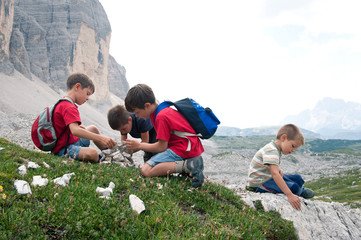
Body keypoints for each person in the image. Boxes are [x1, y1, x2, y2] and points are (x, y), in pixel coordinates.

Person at [124, 84, 205, 187]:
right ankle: (189, 167)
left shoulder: (161, 117)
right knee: (154, 164)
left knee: (146, 170)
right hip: (189, 146)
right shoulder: (161, 109)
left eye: (137, 112)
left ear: (147, 106)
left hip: (182, 148)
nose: (136, 116)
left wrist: (139, 145)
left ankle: (188, 165)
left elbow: (162, 147)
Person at [246, 124, 314, 210]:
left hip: (267, 176)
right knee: (294, 188)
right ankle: (300, 191)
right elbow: (274, 174)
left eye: (295, 148)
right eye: (293, 146)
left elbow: (271, 168)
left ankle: (300, 190)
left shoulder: (274, 148)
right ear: (283, 138)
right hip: (260, 183)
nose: (293, 150)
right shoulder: (272, 150)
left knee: (298, 178)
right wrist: (289, 195)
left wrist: (278, 170)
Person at [52, 73, 116, 162]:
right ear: (77, 86)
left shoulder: (64, 103)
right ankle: (106, 159)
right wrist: (101, 138)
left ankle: (110, 154)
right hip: (63, 148)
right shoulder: (69, 107)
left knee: (92, 129)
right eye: (87, 93)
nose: (87, 98)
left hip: (70, 140)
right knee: (92, 153)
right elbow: (75, 131)